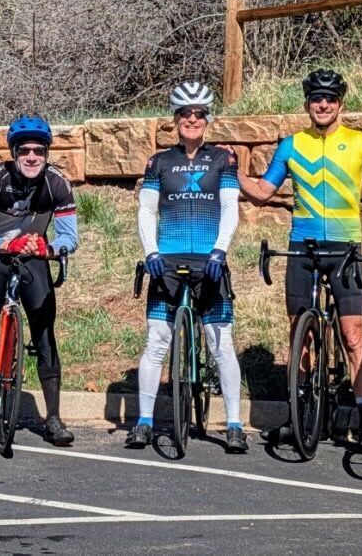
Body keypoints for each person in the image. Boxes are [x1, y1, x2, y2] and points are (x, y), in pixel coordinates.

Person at [243, 68, 362, 433]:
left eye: (330, 98)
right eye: (316, 98)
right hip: (303, 247)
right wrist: (231, 172)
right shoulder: (292, 145)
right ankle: (300, 409)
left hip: (345, 249)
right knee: (300, 333)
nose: (323, 104)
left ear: (341, 104)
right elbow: (263, 192)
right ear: (307, 104)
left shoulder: (360, 143)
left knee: (352, 335)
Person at [127, 82, 248, 453]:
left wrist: (220, 250)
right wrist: (151, 252)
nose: (192, 120)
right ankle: (144, 422)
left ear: (207, 119)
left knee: (221, 343)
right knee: (156, 341)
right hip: (167, 259)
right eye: (185, 114)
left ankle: (234, 425)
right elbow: (146, 211)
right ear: (176, 119)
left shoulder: (223, 159)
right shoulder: (159, 162)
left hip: (209, 260)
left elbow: (230, 208)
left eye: (199, 114)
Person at [0, 114, 80, 447]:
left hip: (34, 259)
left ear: (46, 153)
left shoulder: (57, 183)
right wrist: (6, 244)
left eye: (39, 151)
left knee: (44, 333)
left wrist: (49, 248)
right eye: (25, 150)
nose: (32, 157)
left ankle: (53, 418)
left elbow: (70, 237)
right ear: (14, 152)